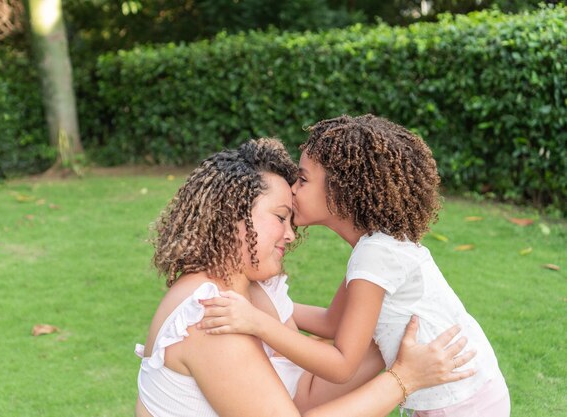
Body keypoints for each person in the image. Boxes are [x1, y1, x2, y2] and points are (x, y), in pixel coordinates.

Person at [135, 137, 476, 417]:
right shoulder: (209, 317)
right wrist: (404, 379)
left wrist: (400, 328)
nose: (290, 235)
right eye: (281, 218)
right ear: (232, 216)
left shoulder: (250, 294)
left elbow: (307, 391)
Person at [199, 116, 509, 416]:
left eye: (303, 180)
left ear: (340, 192)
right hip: (464, 391)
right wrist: (266, 302)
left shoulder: (373, 255)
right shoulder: (376, 246)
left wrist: (255, 321)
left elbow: (342, 364)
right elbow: (334, 323)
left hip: (461, 401)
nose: (293, 188)